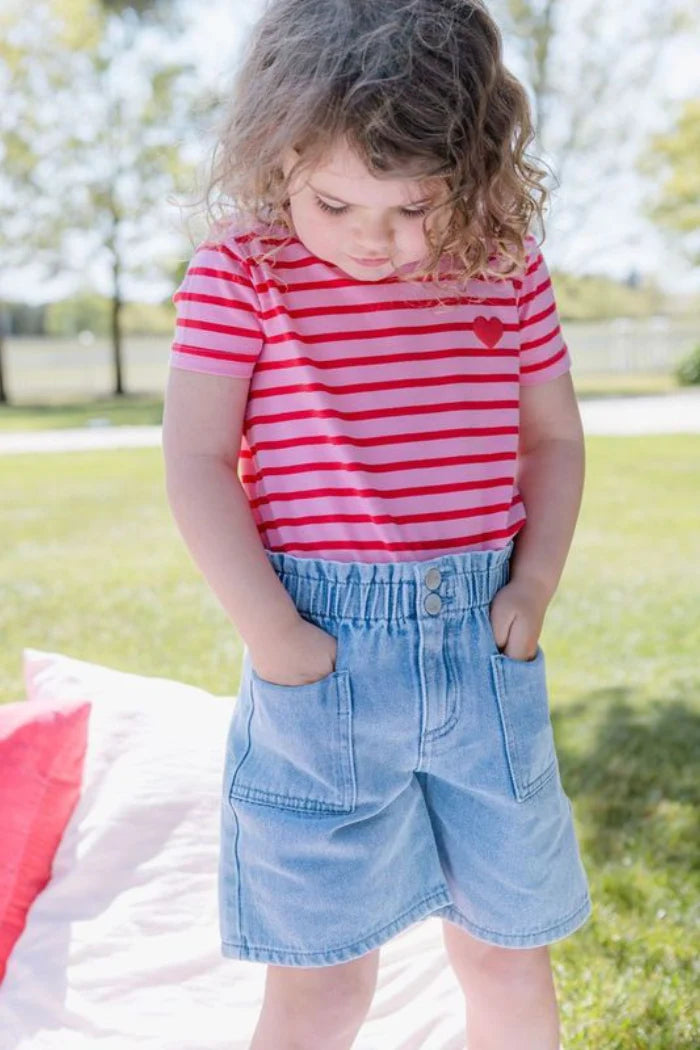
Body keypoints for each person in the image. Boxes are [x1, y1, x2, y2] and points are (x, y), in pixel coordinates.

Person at [161, 2, 593, 1048]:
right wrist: (276, 635)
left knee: (504, 949)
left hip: (482, 649)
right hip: (321, 659)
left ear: (473, 170)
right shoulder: (243, 276)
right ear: (280, 155)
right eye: (336, 203)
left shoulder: (506, 266)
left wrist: (529, 591)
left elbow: (553, 443)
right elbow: (196, 460)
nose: (373, 239)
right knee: (320, 972)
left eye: (413, 209)